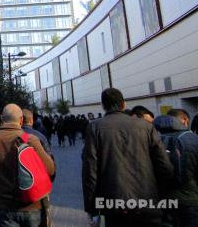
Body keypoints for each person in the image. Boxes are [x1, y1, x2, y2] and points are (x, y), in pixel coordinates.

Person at [82, 88, 174, 227]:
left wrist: (92, 207)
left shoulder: (95, 127)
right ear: (124, 104)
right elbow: (164, 165)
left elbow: (90, 170)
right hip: (147, 199)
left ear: (103, 106)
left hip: (114, 202)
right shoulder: (146, 126)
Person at [0, 103, 55, 227]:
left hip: (4, 207)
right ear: (21, 120)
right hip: (32, 205)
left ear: (2, 119)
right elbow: (51, 170)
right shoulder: (31, 139)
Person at [154, 110, 198, 227]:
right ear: (185, 120)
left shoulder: (156, 140)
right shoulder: (194, 139)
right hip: (190, 201)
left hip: (164, 200)